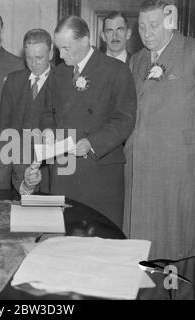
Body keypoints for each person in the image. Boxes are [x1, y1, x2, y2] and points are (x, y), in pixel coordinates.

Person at [123, 0, 195, 300]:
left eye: (154, 26)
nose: (147, 33)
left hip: (178, 171)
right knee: (144, 251)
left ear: (169, 22)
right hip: (141, 172)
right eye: (142, 27)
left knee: (178, 248)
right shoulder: (136, 60)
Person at [40, 16, 137, 229]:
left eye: (66, 48)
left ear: (85, 40)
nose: (61, 55)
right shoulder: (58, 73)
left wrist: (91, 143)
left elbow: (124, 120)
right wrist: (48, 130)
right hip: (64, 171)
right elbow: (48, 111)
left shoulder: (116, 71)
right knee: (65, 239)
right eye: (58, 49)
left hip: (99, 174)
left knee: (100, 242)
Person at [0, 28, 53, 192]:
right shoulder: (13, 81)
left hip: (52, 168)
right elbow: (4, 123)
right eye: (29, 58)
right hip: (19, 166)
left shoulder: (62, 80)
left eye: (39, 58)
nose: (33, 63)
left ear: (50, 55)